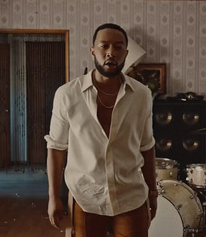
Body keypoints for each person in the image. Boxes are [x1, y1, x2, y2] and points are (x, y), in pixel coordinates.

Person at [45, 23, 158, 237]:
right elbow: (56, 148)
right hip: (86, 196)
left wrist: (152, 192)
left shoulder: (142, 95)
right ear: (92, 51)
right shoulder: (67, 94)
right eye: (104, 46)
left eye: (117, 47)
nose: (110, 53)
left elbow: (147, 146)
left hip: (130, 196)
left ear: (126, 52)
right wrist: (53, 197)